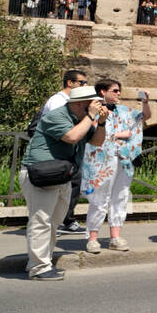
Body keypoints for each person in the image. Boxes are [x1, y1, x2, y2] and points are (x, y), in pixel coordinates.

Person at [20, 85, 107, 280]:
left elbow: (97, 142)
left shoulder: (82, 120)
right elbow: (72, 137)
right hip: (41, 174)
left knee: (54, 221)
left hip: (61, 175)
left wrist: (101, 123)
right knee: (41, 221)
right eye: (93, 103)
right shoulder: (56, 116)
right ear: (79, 104)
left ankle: (40, 261)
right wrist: (90, 117)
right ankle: (39, 268)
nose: (97, 106)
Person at [82, 79, 151, 253]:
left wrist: (145, 103)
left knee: (120, 196)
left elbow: (145, 116)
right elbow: (90, 131)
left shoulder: (125, 111)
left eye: (119, 90)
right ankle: (92, 238)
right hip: (102, 160)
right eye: (115, 90)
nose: (118, 93)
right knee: (99, 198)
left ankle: (115, 237)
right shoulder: (93, 110)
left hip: (124, 159)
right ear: (103, 92)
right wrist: (119, 134)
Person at [36, 68, 91, 237]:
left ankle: (63, 221)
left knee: (71, 189)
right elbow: (67, 131)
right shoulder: (58, 101)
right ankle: (57, 224)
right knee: (59, 191)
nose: (85, 85)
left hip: (68, 155)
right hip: (56, 155)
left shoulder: (70, 101)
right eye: (82, 82)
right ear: (70, 83)